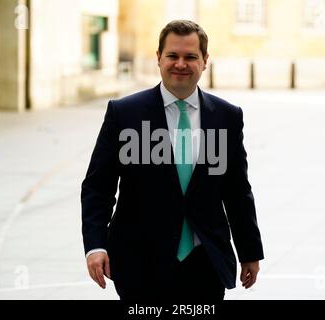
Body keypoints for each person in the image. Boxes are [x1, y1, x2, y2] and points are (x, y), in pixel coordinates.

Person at [81, 20, 264, 301]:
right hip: (139, 263)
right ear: (158, 58)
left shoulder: (227, 117)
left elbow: (237, 190)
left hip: (205, 262)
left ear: (204, 62)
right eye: (172, 56)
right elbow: (98, 187)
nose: (181, 64)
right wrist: (95, 246)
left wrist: (249, 251)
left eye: (190, 57)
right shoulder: (124, 113)